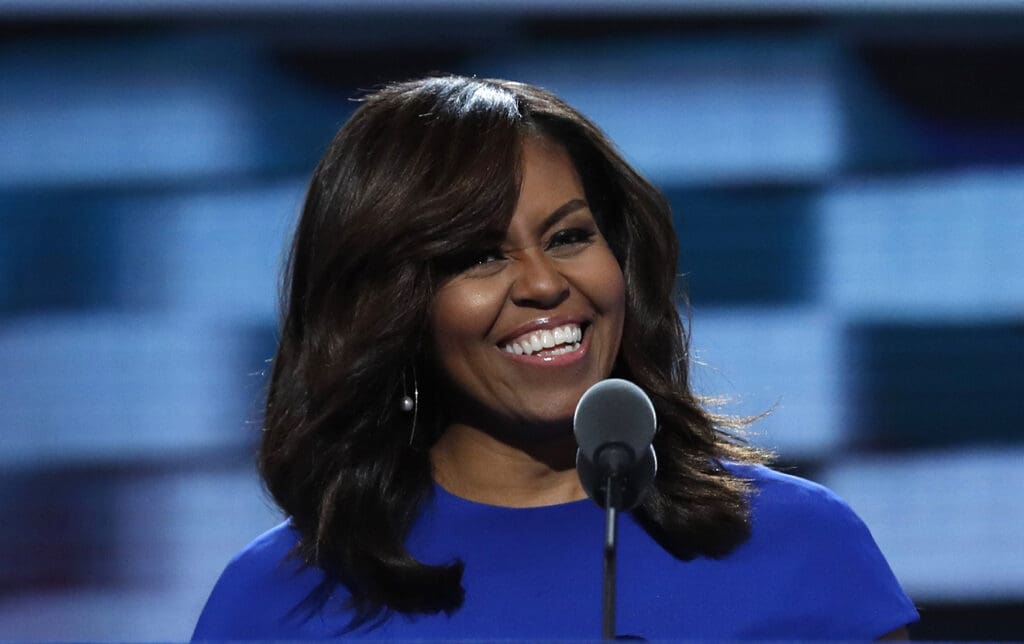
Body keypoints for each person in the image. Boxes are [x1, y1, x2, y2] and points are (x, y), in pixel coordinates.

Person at [192, 75, 918, 640]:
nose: (543, 284)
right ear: (389, 309)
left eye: (569, 237)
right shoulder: (277, 603)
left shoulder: (800, 547)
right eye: (478, 256)